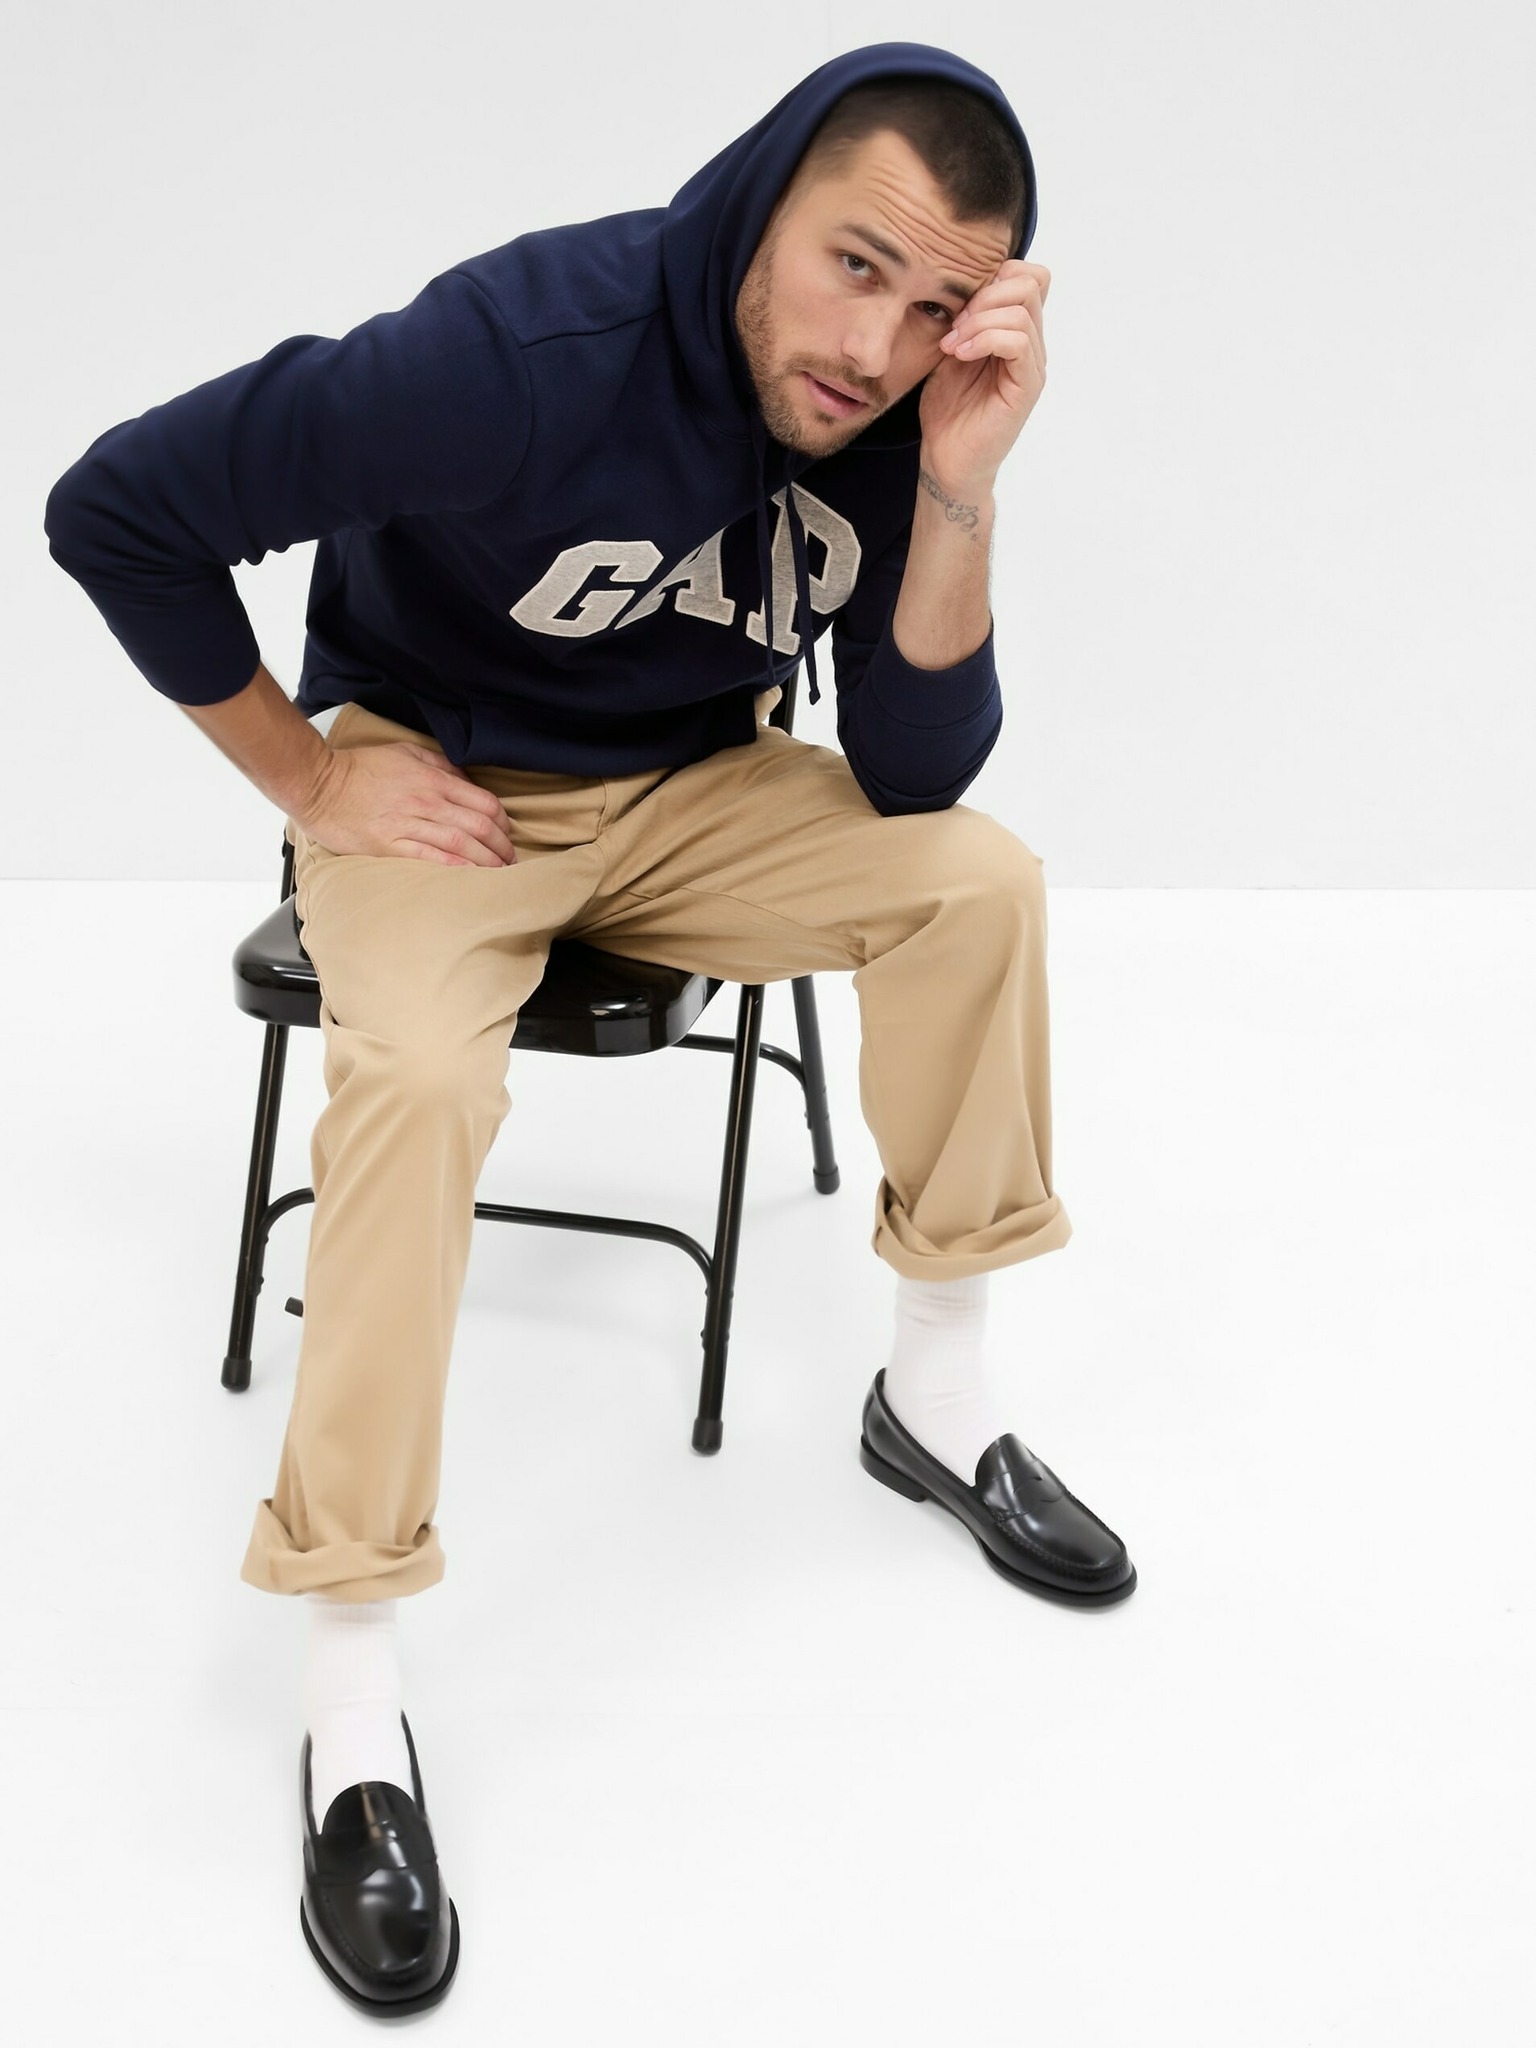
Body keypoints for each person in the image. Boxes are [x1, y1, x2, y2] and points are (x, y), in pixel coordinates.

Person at [44, 40, 1136, 2015]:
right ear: (766, 205)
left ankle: (939, 1396)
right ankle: (350, 1692)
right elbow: (117, 505)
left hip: (698, 790)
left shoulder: (904, 412)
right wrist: (310, 777)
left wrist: (961, 484)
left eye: (930, 305)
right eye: (851, 263)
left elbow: (914, 772)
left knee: (980, 880)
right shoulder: (518, 354)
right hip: (444, 793)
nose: (872, 344)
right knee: (419, 1075)